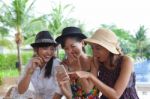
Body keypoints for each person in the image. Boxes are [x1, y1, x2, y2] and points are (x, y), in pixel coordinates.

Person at [70, 28, 139, 99]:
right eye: (92, 48)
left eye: (98, 48)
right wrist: (79, 67)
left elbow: (116, 95)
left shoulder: (126, 61)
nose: (94, 53)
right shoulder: (97, 61)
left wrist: (90, 75)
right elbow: (88, 90)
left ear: (108, 49)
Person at [55, 26, 99, 99]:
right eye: (66, 48)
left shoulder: (93, 61)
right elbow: (69, 96)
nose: (69, 51)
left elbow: (89, 91)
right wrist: (61, 86)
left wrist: (77, 68)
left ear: (82, 43)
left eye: (73, 46)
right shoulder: (64, 65)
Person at [17, 31, 62, 99]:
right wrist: (29, 73)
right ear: (36, 49)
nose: (49, 52)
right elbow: (21, 90)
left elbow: (60, 90)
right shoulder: (31, 63)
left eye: (52, 49)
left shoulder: (57, 64)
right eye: (45, 48)